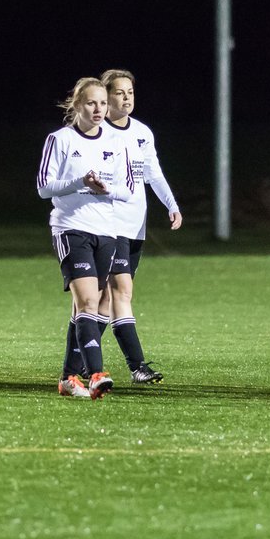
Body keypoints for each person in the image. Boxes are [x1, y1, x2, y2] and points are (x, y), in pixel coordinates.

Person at [38, 77, 133, 399]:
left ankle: (67, 377)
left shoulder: (117, 142)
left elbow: (129, 189)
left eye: (103, 103)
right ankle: (95, 373)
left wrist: (108, 190)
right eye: (91, 103)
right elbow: (44, 186)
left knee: (90, 306)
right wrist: (80, 182)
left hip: (106, 229)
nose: (98, 109)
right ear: (77, 105)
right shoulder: (60, 139)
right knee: (90, 300)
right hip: (71, 227)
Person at [98, 68, 181, 385]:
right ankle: (137, 366)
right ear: (106, 97)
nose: (126, 97)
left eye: (130, 92)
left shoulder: (143, 132)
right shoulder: (97, 133)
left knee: (105, 299)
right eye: (119, 92)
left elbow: (153, 173)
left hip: (135, 226)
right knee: (122, 291)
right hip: (109, 224)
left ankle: (77, 359)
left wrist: (171, 204)